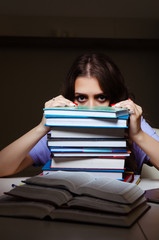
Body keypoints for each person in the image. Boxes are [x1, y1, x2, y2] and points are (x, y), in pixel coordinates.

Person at [0, 53, 159, 177]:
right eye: (81, 98)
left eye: (101, 97)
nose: (90, 108)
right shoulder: (58, 130)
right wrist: (42, 128)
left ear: (115, 99)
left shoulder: (133, 124)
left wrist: (137, 135)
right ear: (71, 99)